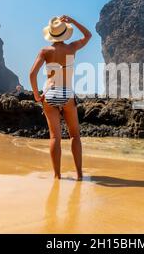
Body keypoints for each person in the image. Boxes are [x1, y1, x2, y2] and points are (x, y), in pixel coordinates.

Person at [29, 15, 92, 180]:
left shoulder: (45, 51)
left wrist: (36, 95)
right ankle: (79, 175)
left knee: (55, 137)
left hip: (49, 94)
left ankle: (57, 176)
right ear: (65, 33)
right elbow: (88, 35)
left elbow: (32, 74)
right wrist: (74, 22)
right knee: (74, 136)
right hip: (66, 93)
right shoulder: (72, 48)